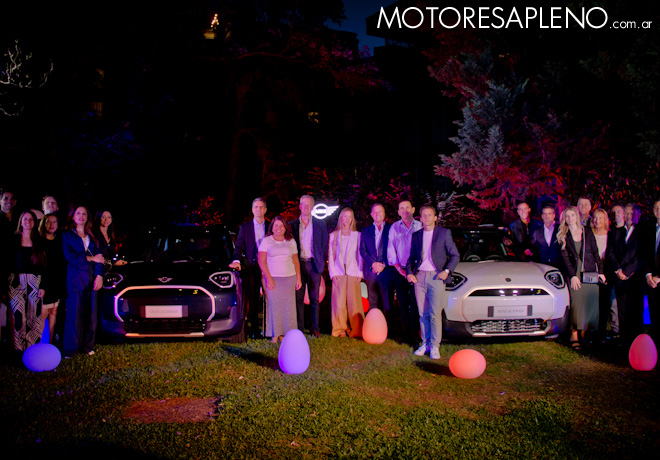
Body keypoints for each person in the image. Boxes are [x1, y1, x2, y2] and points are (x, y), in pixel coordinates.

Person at [406, 205, 460, 360]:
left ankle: (435, 346)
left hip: (436, 277)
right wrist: (409, 273)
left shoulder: (443, 233)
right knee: (422, 313)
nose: (426, 217)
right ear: (420, 218)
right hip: (420, 277)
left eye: (429, 215)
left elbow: (455, 255)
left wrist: (446, 271)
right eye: (424, 215)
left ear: (435, 217)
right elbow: (411, 258)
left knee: (435, 313)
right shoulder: (417, 235)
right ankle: (425, 343)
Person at [558, 206, 604, 350]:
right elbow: (565, 259)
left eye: (572, 215)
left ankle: (584, 334)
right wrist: (572, 276)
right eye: (567, 216)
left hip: (589, 272)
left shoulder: (587, 231)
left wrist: (601, 271)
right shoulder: (563, 235)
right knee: (577, 305)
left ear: (577, 216)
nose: (570, 218)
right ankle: (574, 336)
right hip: (574, 273)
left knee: (589, 304)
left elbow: (595, 252)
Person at [62, 206, 105, 357]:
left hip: (92, 278)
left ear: (87, 217)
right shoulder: (67, 235)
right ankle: (70, 348)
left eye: (84, 214)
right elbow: (69, 256)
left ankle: (87, 346)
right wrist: (91, 258)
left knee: (91, 314)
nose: (81, 216)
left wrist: (99, 276)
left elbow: (100, 258)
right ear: (73, 217)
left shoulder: (92, 235)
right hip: (75, 280)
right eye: (78, 213)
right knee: (74, 315)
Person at [606, 203, 646, 344]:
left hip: (635, 278)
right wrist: (618, 270)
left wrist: (627, 272)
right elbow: (610, 252)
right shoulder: (617, 231)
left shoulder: (644, 231)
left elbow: (642, 255)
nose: (629, 216)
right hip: (619, 278)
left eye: (632, 213)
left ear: (638, 215)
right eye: (627, 213)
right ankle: (624, 340)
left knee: (635, 311)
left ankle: (637, 342)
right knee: (622, 310)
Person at [230, 197, 270, 338]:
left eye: (261, 207)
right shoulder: (245, 227)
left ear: (265, 210)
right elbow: (239, 246)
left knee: (270, 298)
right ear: (252, 210)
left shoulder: (271, 226)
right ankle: (254, 330)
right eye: (256, 207)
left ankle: (270, 328)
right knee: (253, 299)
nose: (258, 209)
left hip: (270, 267)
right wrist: (236, 260)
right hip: (252, 267)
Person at [7, 211, 47, 351]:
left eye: (31, 219)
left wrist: (42, 286)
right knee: (18, 317)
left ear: (34, 222)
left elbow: (44, 265)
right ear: (21, 221)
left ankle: (32, 349)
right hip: (16, 281)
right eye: (25, 219)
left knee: (34, 317)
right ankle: (18, 349)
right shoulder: (13, 240)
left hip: (35, 282)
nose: (28, 221)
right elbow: (6, 261)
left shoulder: (39, 241)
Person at [258, 216, 302, 343]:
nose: (279, 228)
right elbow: (261, 261)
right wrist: (268, 278)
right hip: (273, 278)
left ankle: (286, 334)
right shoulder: (266, 241)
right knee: (274, 306)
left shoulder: (291, 241)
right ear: (272, 227)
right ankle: (275, 334)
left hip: (289, 277)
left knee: (288, 308)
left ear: (285, 228)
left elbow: (295, 261)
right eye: (276, 225)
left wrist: (298, 278)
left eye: (281, 225)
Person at [289, 195, 328, 338]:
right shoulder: (292, 225)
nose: (305, 207)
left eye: (308, 204)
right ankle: (299, 328)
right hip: (298, 265)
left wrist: (320, 261)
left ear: (312, 207)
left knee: (314, 298)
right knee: (298, 298)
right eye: (303, 204)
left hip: (314, 264)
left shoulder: (320, 224)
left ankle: (315, 328)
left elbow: (324, 244)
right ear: (299, 206)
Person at [387, 199, 422, 344]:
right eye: (401, 208)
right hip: (400, 270)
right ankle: (404, 334)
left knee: (415, 304)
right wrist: (399, 269)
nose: (405, 210)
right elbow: (391, 249)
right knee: (402, 303)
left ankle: (415, 335)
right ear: (398, 212)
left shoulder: (420, 226)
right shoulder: (394, 227)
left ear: (413, 209)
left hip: (417, 271)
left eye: (407, 207)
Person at [328, 207, 364, 338]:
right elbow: (331, 256)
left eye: (350, 216)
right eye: (345, 216)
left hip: (353, 272)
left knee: (354, 303)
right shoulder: (334, 235)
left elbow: (360, 255)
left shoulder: (358, 235)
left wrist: (360, 273)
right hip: (338, 272)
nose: (347, 219)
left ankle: (357, 330)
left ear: (352, 219)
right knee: (338, 303)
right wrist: (333, 273)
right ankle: (340, 329)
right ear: (341, 218)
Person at [360, 203, 392, 315]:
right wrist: (373, 264)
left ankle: (388, 325)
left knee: (387, 304)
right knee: (372, 303)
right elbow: (362, 250)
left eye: (380, 211)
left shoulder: (391, 229)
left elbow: (394, 250)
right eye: (375, 212)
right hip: (371, 272)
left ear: (384, 213)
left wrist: (383, 265)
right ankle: (373, 324)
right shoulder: (365, 231)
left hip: (386, 271)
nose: (377, 214)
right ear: (371, 214)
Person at [39, 213, 66, 344]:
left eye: (54, 222)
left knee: (54, 312)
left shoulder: (60, 241)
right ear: (43, 224)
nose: (51, 224)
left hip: (56, 282)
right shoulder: (38, 241)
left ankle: (49, 342)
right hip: (43, 281)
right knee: (42, 314)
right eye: (48, 222)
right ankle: (38, 344)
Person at [591, 208, 616, 340]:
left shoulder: (611, 235)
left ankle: (601, 332)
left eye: (601, 218)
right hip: (591, 272)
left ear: (605, 220)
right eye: (595, 217)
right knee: (592, 303)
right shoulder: (589, 234)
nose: (598, 220)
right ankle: (591, 331)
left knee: (605, 303)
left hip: (607, 273)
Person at [645, 199, 660, 343]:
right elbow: (646, 255)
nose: (658, 210)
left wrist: (659, 277)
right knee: (654, 316)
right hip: (651, 282)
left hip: (659, 279)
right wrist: (648, 275)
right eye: (656, 207)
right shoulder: (650, 230)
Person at [531, 204, 563, 271]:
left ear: (554, 215)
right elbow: (534, 250)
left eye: (549, 213)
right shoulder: (536, 232)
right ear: (542, 216)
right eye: (545, 214)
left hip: (559, 267)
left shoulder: (561, 229)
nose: (547, 216)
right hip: (542, 267)